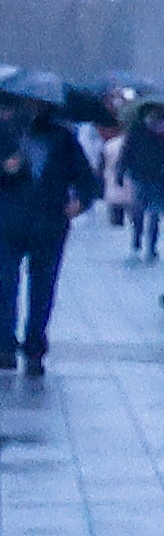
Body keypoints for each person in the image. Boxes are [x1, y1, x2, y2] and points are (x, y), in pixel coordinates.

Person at [0, 88, 89, 368]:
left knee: (43, 288)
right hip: (8, 223)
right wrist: (5, 169)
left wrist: (80, 203)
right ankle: (4, 344)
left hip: (49, 224)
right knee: (5, 285)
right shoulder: (6, 135)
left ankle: (35, 344)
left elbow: (86, 178)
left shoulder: (63, 139)